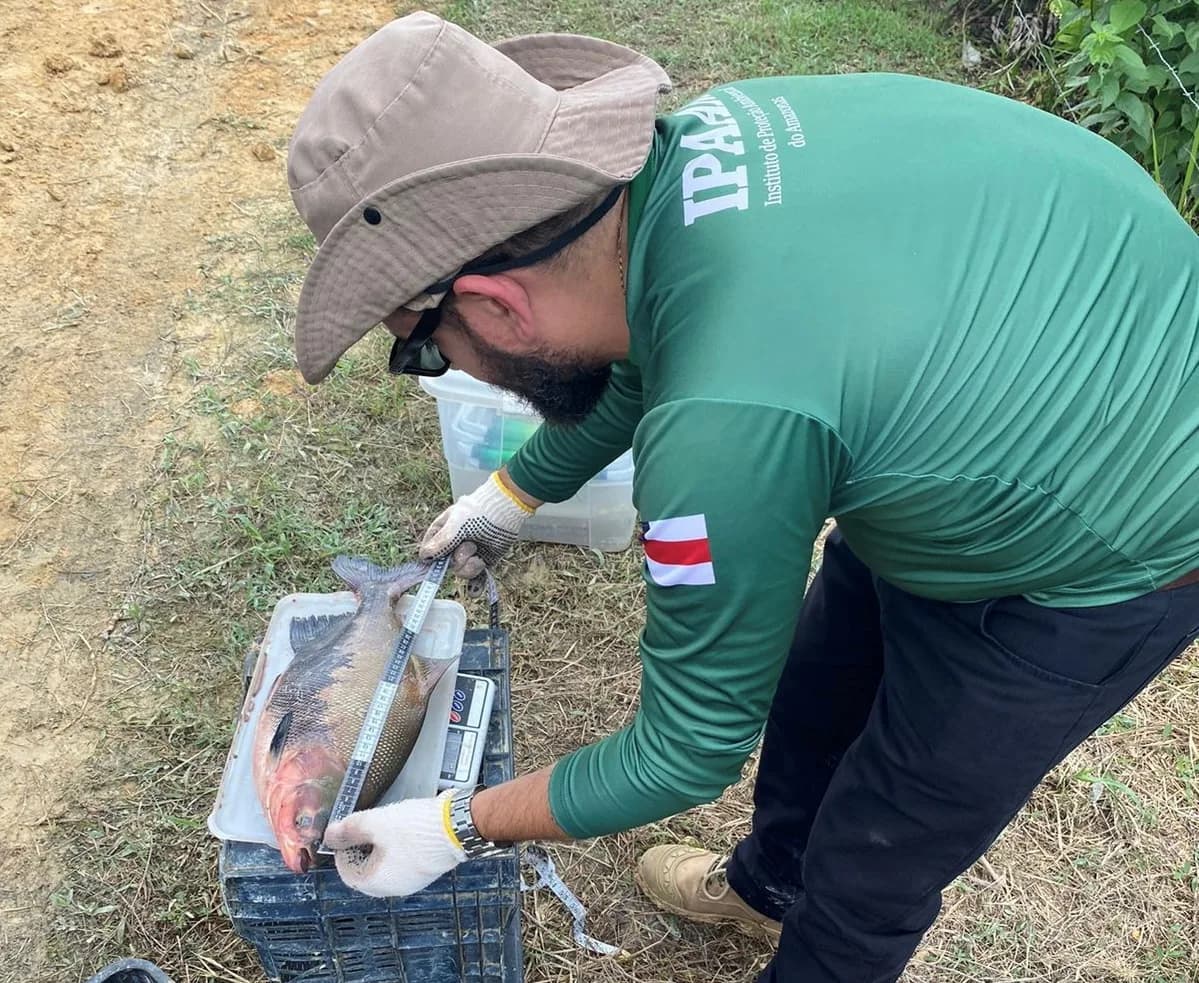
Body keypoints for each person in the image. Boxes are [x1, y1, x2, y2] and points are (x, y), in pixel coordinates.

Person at [286, 11, 1199, 982]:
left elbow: (680, 756)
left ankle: (813, 924)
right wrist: (511, 493)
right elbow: (655, 342)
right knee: (814, 697)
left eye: (423, 344)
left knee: (874, 857)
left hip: (1108, 544)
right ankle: (765, 887)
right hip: (988, 401)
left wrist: (454, 822)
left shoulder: (724, 428)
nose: (438, 364)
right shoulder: (696, 162)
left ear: (497, 302)